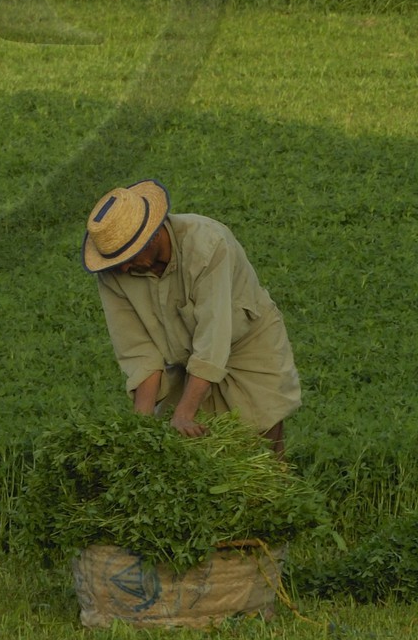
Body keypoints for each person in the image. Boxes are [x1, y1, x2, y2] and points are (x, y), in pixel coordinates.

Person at [82, 180, 300, 452]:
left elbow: (213, 335)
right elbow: (139, 351)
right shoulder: (114, 272)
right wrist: (139, 429)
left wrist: (185, 412)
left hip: (247, 340)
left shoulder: (207, 245)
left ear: (152, 235)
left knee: (263, 432)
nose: (123, 268)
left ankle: (277, 485)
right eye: (116, 261)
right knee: (193, 447)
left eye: (128, 256)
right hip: (185, 355)